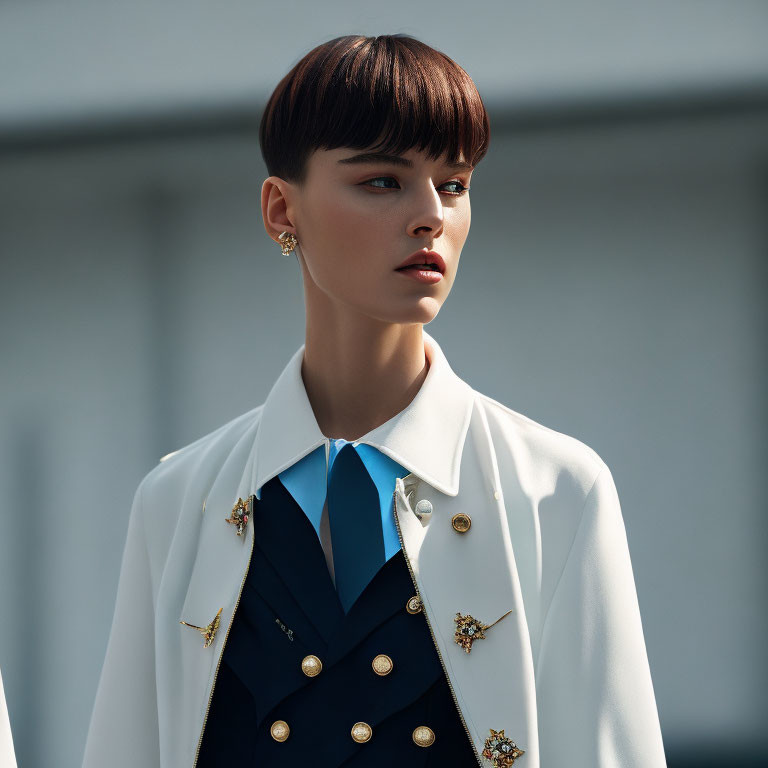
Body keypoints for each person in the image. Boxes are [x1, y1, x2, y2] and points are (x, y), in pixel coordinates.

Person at [82, 34, 667, 767]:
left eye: (453, 184)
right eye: (383, 181)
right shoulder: (176, 501)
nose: (430, 215)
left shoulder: (557, 490)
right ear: (279, 211)